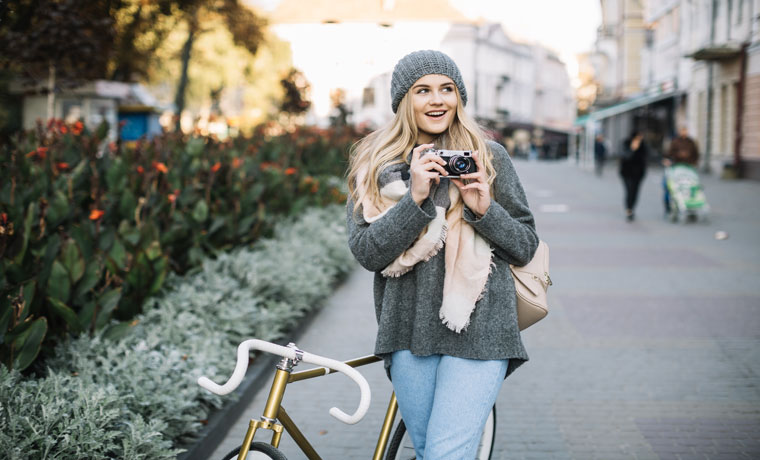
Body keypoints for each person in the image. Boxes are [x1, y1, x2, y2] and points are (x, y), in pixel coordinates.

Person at [345, 50, 539, 459]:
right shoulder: (375, 164)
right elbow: (367, 252)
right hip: (407, 331)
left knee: (444, 454)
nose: (438, 100)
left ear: (459, 97)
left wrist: (484, 209)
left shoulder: (488, 156)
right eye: (423, 90)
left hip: (481, 329)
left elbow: (524, 245)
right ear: (403, 101)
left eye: (447, 89)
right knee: (429, 450)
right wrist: (414, 198)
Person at [662, 126, 699, 214]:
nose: (684, 132)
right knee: (670, 186)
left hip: (688, 168)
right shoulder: (675, 141)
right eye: (682, 130)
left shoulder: (690, 142)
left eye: (685, 130)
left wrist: (694, 162)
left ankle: (689, 205)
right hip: (676, 167)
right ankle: (669, 206)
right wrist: (668, 160)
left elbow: (695, 154)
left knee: (689, 185)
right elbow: (669, 153)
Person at [619, 131, 648, 221]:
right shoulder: (626, 143)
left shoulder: (643, 146)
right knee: (629, 191)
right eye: (637, 138)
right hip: (627, 173)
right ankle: (628, 209)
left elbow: (648, 156)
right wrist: (632, 149)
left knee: (635, 192)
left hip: (638, 174)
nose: (639, 140)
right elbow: (625, 156)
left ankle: (632, 209)